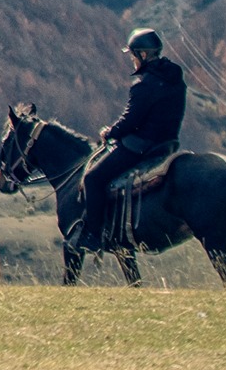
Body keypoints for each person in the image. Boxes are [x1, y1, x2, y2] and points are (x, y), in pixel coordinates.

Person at [73, 28, 186, 250]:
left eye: (133, 55)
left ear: (143, 55)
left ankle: (93, 236)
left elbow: (131, 121)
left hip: (142, 146)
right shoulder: (174, 78)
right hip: (168, 143)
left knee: (93, 179)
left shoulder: (144, 84)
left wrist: (110, 132)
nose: (132, 60)